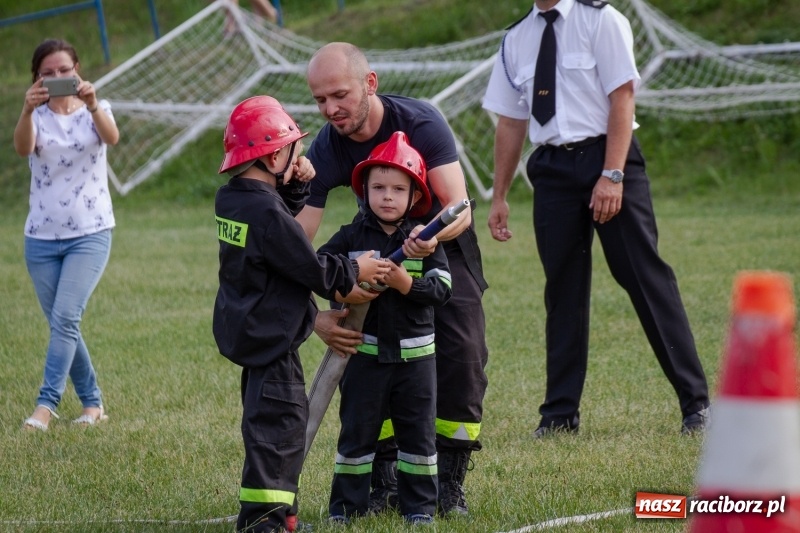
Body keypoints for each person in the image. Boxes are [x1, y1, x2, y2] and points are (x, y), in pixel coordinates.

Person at [482, 0, 711, 438]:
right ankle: (559, 415)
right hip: (551, 170)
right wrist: (501, 196)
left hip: (608, 159)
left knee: (644, 278)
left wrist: (612, 174)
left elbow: (622, 96)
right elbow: (511, 121)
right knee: (562, 290)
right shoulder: (516, 39)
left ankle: (696, 404)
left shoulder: (602, 18)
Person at [299, 42, 489, 517]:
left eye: (339, 95)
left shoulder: (422, 121)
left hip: (438, 242)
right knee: (369, 359)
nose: (330, 109)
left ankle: (447, 482)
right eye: (320, 100)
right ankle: (382, 477)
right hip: (373, 247)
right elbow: (296, 246)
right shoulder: (327, 145)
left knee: (463, 355)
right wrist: (313, 313)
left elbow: (458, 208)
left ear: (370, 83)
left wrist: (427, 244)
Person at [212, 95, 390, 533]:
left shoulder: (233, 199)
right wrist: (355, 270)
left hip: (251, 330)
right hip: (272, 338)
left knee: (271, 426)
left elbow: (276, 232)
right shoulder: (266, 213)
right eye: (293, 150)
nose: (299, 156)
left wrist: (294, 186)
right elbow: (309, 266)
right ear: (275, 155)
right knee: (280, 430)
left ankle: (278, 514)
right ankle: (264, 522)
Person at [319, 131, 452, 526]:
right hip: (365, 357)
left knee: (418, 439)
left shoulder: (424, 242)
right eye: (378, 187)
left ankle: (419, 509)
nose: (388, 196)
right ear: (364, 192)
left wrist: (404, 283)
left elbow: (443, 289)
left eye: (398, 188)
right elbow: (320, 269)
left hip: (416, 364)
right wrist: (346, 291)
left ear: (415, 196)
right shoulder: (349, 237)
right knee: (356, 436)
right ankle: (345, 509)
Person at [14, 39, 120, 432]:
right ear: (37, 78)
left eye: (64, 70)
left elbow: (111, 138)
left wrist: (92, 104)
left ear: (77, 69)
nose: (57, 77)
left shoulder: (98, 108)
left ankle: (45, 406)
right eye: (48, 72)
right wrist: (27, 110)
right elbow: (23, 147)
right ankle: (92, 405)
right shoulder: (35, 117)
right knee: (65, 325)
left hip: (90, 235)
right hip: (40, 239)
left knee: (64, 318)